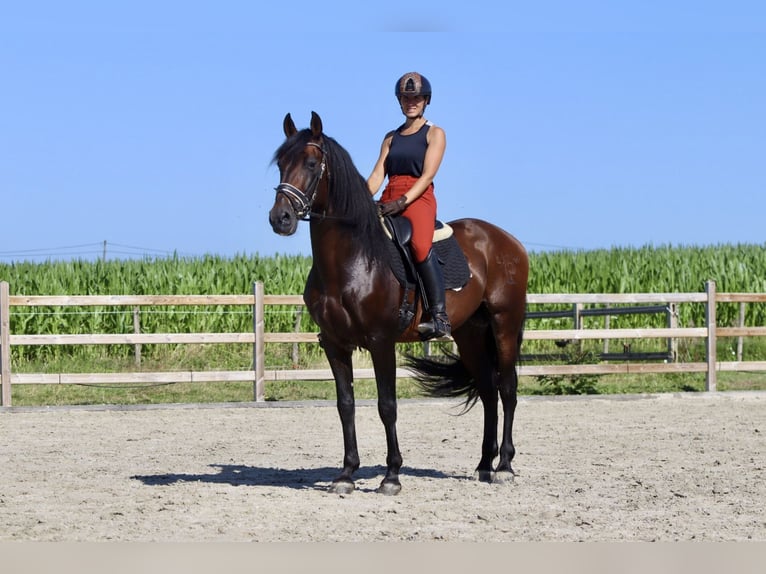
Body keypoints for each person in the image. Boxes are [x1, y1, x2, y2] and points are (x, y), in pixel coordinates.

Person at [367, 71, 451, 340]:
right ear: (400, 101)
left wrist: (403, 201)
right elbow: (378, 174)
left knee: (420, 245)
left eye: (416, 98)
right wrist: (360, 200)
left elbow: (428, 175)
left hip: (418, 196)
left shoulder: (434, 133)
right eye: (405, 98)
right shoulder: (391, 137)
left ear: (426, 100)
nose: (411, 102)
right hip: (390, 194)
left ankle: (439, 316)